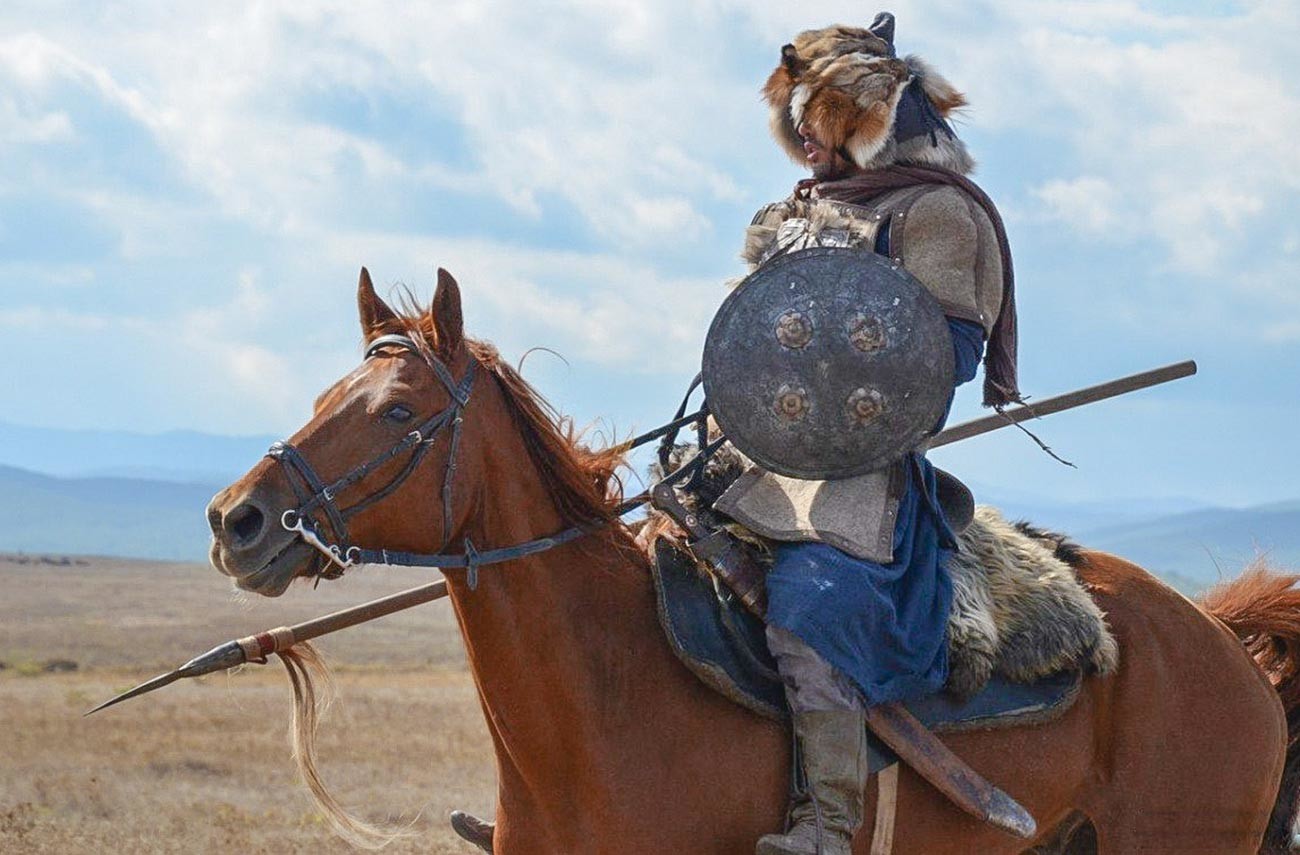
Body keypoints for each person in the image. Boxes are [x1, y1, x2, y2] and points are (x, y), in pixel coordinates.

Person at [722, 14, 1022, 855]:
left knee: (812, 609)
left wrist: (848, 362)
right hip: (752, 447)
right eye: (802, 118)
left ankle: (827, 822)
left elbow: (948, 358)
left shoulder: (937, 215)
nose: (805, 134)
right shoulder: (797, 210)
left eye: (823, 116)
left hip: (861, 470)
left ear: (867, 120)